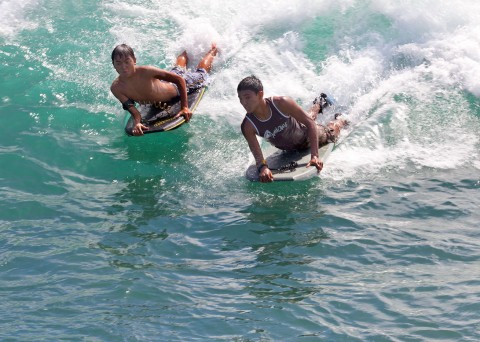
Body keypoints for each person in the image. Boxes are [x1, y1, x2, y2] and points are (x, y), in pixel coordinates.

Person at [238, 75, 347, 183]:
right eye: (240, 99)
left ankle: (341, 119)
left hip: (306, 136)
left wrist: (314, 155)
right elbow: (257, 153)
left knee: (331, 132)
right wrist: (262, 167)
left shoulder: (282, 103)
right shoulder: (247, 125)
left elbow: (310, 124)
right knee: (307, 116)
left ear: (260, 94)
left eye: (247, 97)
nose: (244, 102)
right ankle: (319, 102)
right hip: (290, 145)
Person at [110, 43, 218, 136]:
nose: (123, 67)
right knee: (177, 69)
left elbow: (180, 80)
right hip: (164, 85)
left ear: (134, 60)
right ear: (113, 65)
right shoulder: (116, 88)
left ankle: (213, 50)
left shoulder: (146, 71)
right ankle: (186, 50)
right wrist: (137, 122)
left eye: (127, 62)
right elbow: (133, 110)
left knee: (201, 73)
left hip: (178, 87)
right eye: (118, 63)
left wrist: (184, 107)